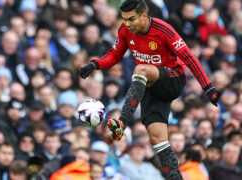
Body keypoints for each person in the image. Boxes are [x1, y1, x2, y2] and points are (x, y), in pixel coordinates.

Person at [79, 1, 221, 179]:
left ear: (144, 16)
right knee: (158, 140)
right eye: (124, 19)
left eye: (132, 19)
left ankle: (122, 122)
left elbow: (189, 58)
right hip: (150, 87)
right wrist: (94, 64)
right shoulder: (124, 30)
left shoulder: (164, 30)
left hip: (172, 79)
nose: (127, 24)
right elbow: (115, 55)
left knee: (141, 69)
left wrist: (208, 87)